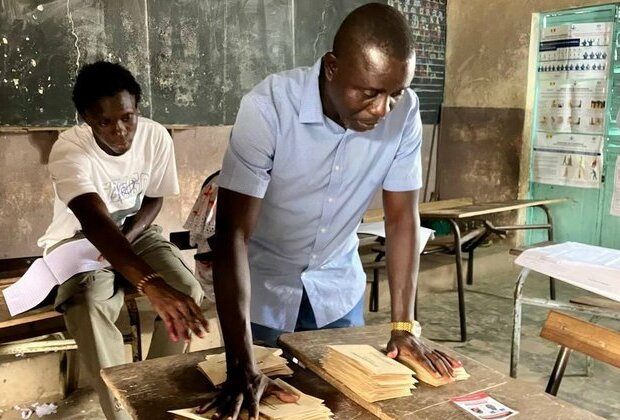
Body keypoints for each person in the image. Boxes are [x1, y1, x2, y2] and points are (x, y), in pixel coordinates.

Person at [201, 3, 461, 419]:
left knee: (343, 407)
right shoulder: (268, 108)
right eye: (369, 92)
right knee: (262, 405)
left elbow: (400, 220)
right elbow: (232, 234)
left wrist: (404, 326)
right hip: (263, 291)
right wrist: (240, 362)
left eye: (394, 93)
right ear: (332, 67)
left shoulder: (405, 112)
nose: (383, 110)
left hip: (337, 291)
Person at [37, 61, 208, 420]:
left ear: (137, 109)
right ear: (86, 118)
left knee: (187, 291)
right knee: (88, 304)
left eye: (127, 117)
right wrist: (148, 282)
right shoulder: (69, 150)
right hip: (79, 240)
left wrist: (129, 237)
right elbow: (94, 221)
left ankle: (157, 389)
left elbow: (155, 198)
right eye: (105, 122)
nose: (120, 130)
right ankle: (122, 409)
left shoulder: (156, 136)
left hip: (135, 232)